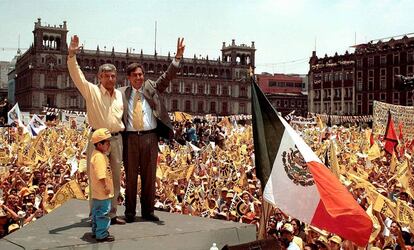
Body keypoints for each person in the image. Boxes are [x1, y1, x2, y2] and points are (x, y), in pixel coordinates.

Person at [119, 37, 185, 222]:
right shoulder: (121, 93)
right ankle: (130, 213)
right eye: (135, 75)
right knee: (131, 177)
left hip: (150, 137)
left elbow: (166, 77)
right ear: (129, 77)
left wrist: (177, 58)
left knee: (149, 176)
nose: (139, 77)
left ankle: (148, 211)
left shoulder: (151, 87)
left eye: (141, 74)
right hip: (130, 138)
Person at [67, 35, 126, 225]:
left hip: (116, 140)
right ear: (99, 77)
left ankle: (112, 214)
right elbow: (77, 75)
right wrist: (72, 55)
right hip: (97, 141)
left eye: (113, 76)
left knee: (115, 178)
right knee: (96, 178)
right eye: (106, 76)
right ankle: (95, 214)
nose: (110, 79)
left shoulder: (119, 95)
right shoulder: (91, 91)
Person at [89, 128, 114, 242]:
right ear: (99, 144)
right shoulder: (99, 157)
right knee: (103, 213)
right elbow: (101, 175)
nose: (109, 144)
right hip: (103, 192)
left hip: (97, 192)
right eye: (107, 142)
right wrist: (106, 187)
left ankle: (95, 231)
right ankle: (102, 234)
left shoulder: (96, 154)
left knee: (96, 212)